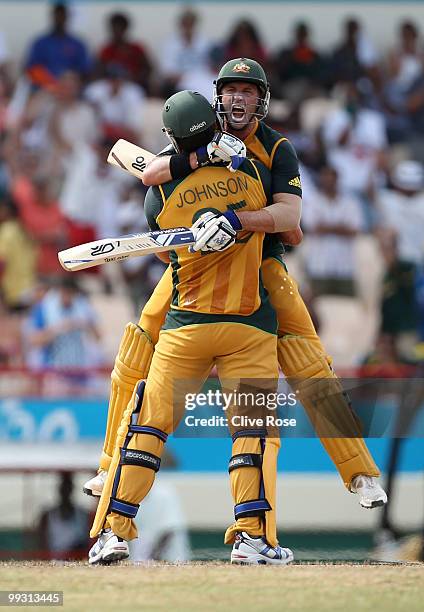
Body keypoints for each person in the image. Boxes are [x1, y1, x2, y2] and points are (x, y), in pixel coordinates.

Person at [85, 59, 387, 515]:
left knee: (310, 366)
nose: (239, 99)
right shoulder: (199, 133)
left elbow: (291, 221)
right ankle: (111, 466)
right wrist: (201, 157)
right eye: (231, 91)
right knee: (136, 347)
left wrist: (238, 220)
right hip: (193, 270)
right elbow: (138, 164)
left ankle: (359, 471)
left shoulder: (276, 147)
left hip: (261, 267)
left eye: (248, 91)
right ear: (218, 97)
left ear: (261, 99)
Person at [88, 90, 295, 566]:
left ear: (172, 139)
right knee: (252, 431)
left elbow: (163, 252)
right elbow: (287, 228)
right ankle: (252, 540)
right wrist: (236, 220)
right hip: (249, 325)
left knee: (148, 427)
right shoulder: (255, 176)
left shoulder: (156, 198)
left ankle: (112, 533)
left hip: (186, 325)